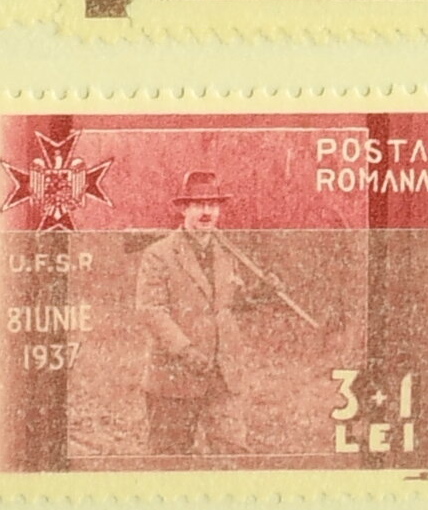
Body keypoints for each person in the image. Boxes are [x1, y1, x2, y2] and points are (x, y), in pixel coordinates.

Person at [130, 165, 307, 461]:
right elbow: (151, 311)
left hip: (222, 376)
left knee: (232, 456)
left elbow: (228, 305)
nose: (206, 213)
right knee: (170, 461)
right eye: (199, 205)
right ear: (183, 209)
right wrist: (186, 351)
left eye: (212, 205)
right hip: (174, 379)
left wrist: (260, 293)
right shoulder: (159, 255)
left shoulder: (227, 253)